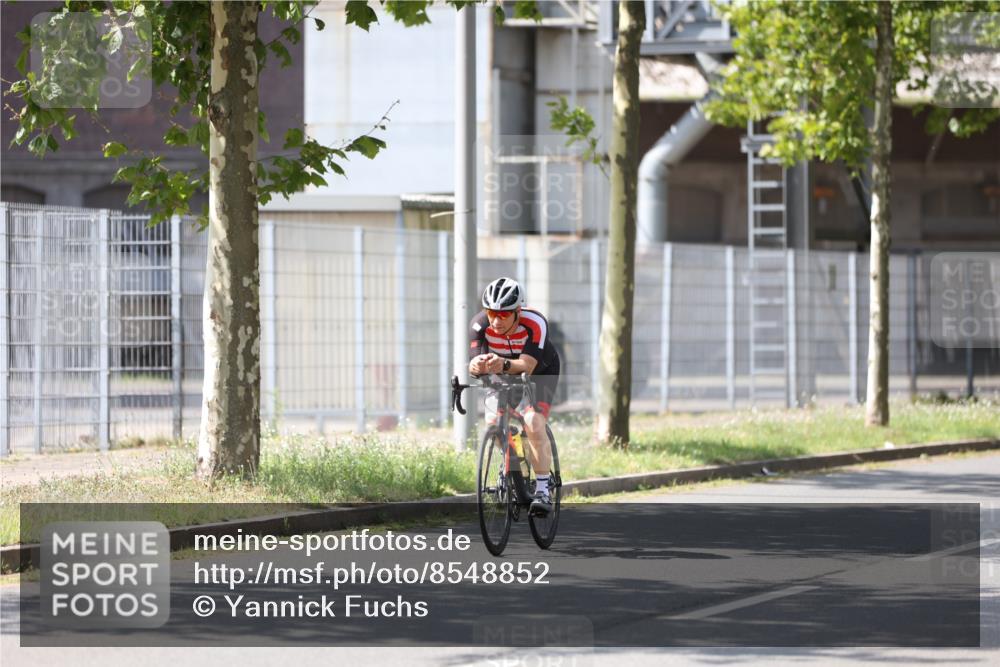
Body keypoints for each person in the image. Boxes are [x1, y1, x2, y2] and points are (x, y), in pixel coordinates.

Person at [468, 277, 561, 515]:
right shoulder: (479, 325)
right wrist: (475, 366)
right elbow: (474, 362)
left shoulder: (535, 322)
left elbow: (527, 366)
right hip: (503, 373)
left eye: (503, 315)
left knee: (533, 421)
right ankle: (516, 462)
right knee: (493, 422)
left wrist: (502, 363)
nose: (496, 321)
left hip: (540, 372)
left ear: (517, 312)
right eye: (491, 313)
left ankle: (542, 489)